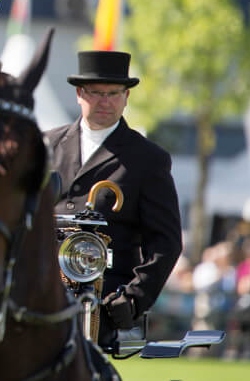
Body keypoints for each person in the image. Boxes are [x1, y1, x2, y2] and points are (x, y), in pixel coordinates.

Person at [45, 50, 183, 351]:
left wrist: (132, 299)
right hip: (40, 293)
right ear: (79, 94)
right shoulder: (46, 147)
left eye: (113, 93)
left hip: (100, 302)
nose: (105, 101)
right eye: (96, 93)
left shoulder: (148, 159)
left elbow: (166, 243)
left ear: (126, 97)